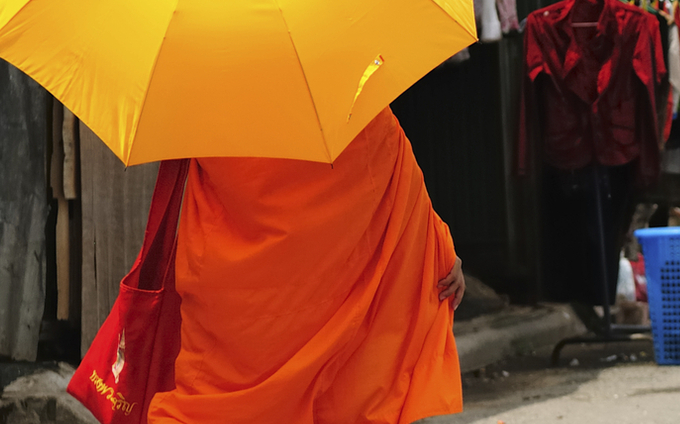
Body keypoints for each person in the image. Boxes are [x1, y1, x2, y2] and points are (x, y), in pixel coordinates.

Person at [146, 108, 467, 424]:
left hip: (239, 300)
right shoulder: (349, 103)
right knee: (350, 394)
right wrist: (438, 248)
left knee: (214, 402)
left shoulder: (209, 102)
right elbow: (397, 188)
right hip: (337, 296)